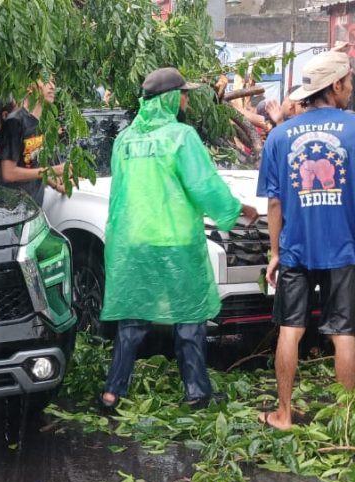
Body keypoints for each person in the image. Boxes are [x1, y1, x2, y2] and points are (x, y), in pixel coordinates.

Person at [99, 67, 259, 410]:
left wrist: (118, 242)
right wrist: (236, 209)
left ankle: (113, 391)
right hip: (175, 243)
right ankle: (196, 392)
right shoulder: (180, 136)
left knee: (132, 319)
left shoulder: (125, 140)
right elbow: (203, 185)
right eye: (183, 93)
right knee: (189, 318)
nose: (186, 99)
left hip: (135, 242)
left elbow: (119, 196)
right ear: (171, 98)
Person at [257, 50, 355, 430]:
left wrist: (275, 252)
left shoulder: (279, 136)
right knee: (343, 333)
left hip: (296, 248)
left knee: (290, 330)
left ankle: (283, 413)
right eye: (349, 82)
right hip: (342, 249)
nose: (351, 89)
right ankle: (346, 419)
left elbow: (275, 202)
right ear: (335, 86)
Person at [0, 79, 74, 206]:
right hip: (13, 209)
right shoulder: (15, 122)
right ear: (29, 87)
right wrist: (53, 170)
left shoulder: (41, 123)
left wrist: (56, 186)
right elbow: (8, 173)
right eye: (45, 81)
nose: (52, 86)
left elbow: (34, 165)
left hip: (35, 205)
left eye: (53, 82)